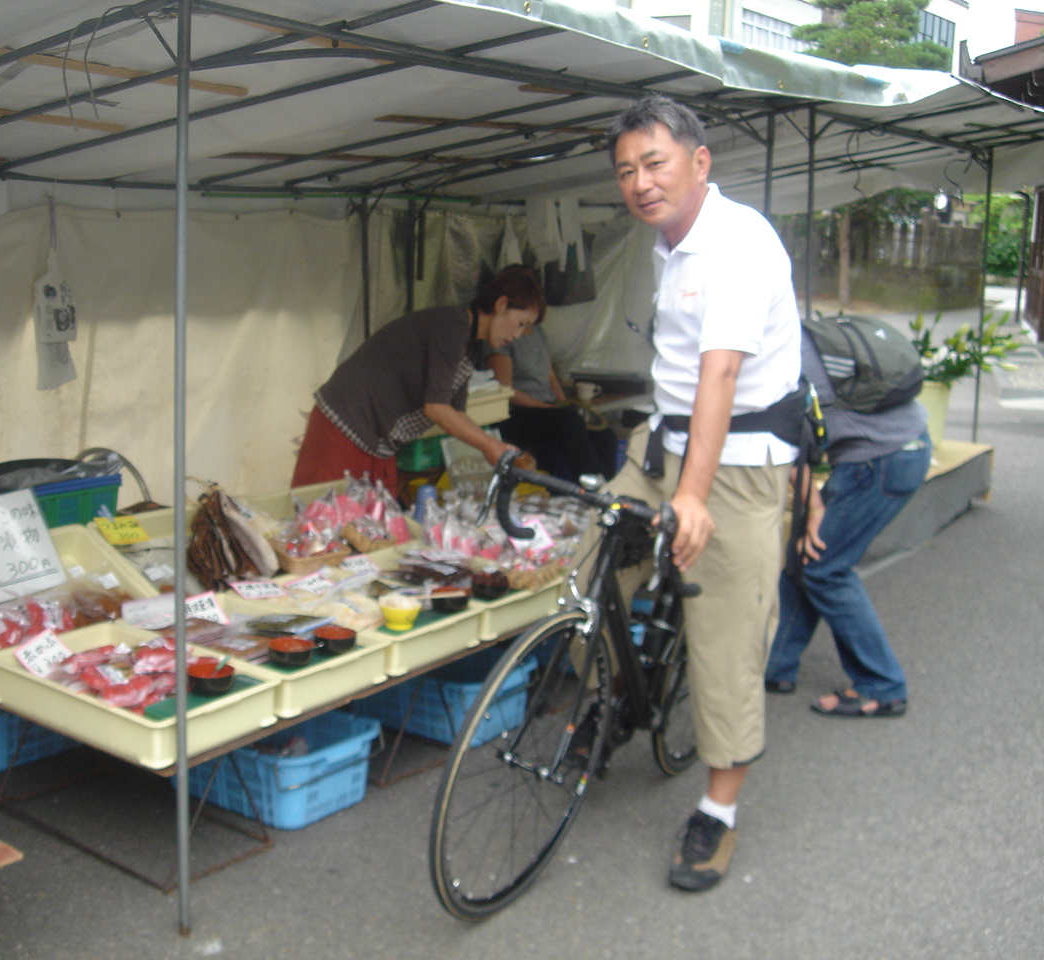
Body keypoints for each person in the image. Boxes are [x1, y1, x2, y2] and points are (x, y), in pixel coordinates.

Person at [604, 95, 802, 892]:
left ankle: (717, 815)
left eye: (654, 163)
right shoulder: (666, 242)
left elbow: (720, 371)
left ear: (698, 162)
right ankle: (614, 689)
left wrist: (691, 498)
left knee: (723, 631)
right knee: (594, 556)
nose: (640, 182)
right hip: (669, 439)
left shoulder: (738, 243)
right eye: (626, 170)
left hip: (742, 459)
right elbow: (683, 380)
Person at [764, 331, 930, 717]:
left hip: (881, 460)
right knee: (804, 558)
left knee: (825, 568)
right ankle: (776, 667)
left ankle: (882, 686)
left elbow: (787, 443)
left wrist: (813, 504)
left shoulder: (778, 359)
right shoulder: (797, 334)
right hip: (899, 446)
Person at [291, 265, 544, 489]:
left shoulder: (471, 346)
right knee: (320, 519)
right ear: (501, 304)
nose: (519, 335)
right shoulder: (452, 325)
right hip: (344, 424)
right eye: (521, 323)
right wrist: (489, 445)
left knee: (373, 527)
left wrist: (494, 445)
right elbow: (436, 408)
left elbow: (457, 413)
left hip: (377, 441)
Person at [487, 324, 617, 483]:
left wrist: (563, 402)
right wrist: (548, 408)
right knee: (567, 420)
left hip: (547, 408)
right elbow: (505, 390)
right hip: (516, 412)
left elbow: (550, 375)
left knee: (605, 435)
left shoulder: (537, 331)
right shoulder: (503, 336)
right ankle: (590, 486)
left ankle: (608, 489)